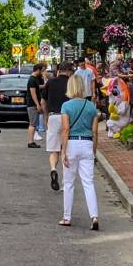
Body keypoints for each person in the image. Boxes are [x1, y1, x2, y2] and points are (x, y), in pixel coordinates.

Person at [57, 75, 101, 229]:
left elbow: (65, 129)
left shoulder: (66, 106)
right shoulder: (91, 107)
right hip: (87, 143)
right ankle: (94, 216)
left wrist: (63, 151)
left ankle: (67, 217)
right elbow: (95, 132)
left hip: (72, 143)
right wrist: (93, 150)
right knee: (88, 182)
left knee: (68, 183)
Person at [44, 63, 74, 191]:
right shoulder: (71, 83)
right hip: (66, 117)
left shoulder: (50, 83)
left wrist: (46, 117)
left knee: (53, 150)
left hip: (53, 116)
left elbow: (43, 101)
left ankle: (53, 168)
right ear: (68, 71)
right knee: (65, 149)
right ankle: (63, 182)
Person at [26, 63, 47, 149]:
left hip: (33, 104)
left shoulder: (34, 79)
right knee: (33, 123)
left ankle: (31, 141)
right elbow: (33, 93)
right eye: (42, 70)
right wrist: (37, 104)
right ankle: (30, 141)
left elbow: (37, 87)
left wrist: (43, 86)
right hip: (32, 104)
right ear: (38, 70)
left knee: (34, 123)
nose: (42, 72)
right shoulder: (32, 79)